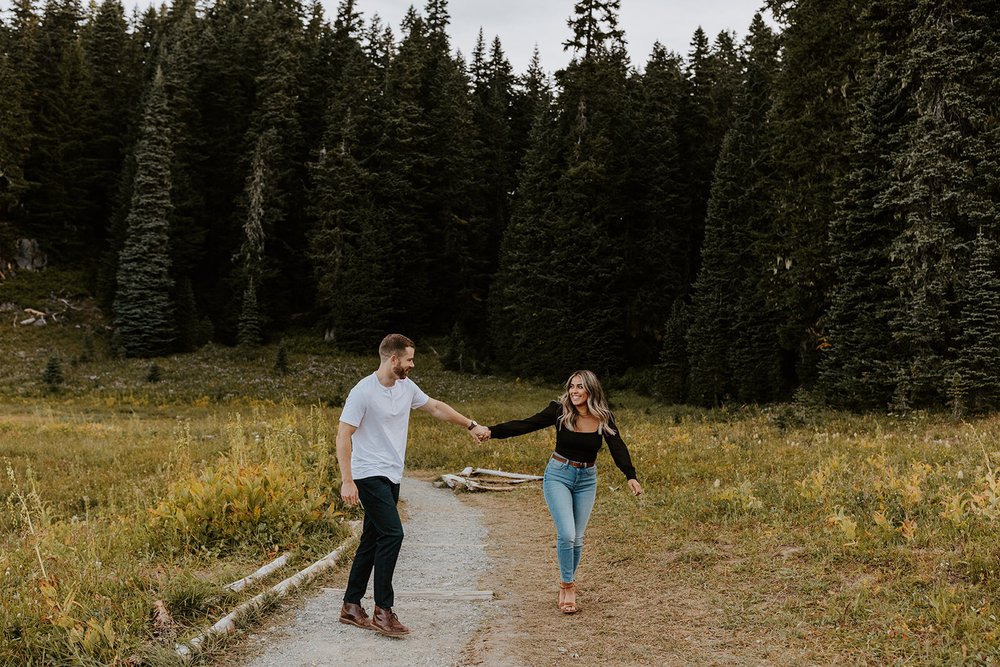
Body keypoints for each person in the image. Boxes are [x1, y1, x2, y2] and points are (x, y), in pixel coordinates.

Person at [336, 333, 490, 637]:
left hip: (392, 474)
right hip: (368, 473)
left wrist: (470, 425)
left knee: (372, 538)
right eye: (409, 359)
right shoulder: (362, 392)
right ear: (393, 359)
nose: (412, 364)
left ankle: (351, 606)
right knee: (393, 534)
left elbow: (435, 407)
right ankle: (383, 611)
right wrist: (347, 480)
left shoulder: (405, 386)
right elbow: (343, 435)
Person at [481, 370, 642, 614]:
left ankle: (568, 582)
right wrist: (492, 431)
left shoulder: (604, 417)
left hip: (587, 479)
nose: (574, 391)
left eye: (579, 387)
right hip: (559, 475)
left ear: (591, 390)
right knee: (567, 534)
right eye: (571, 387)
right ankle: (567, 586)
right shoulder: (559, 411)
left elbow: (617, 446)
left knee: (577, 537)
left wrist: (630, 475)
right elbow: (526, 424)